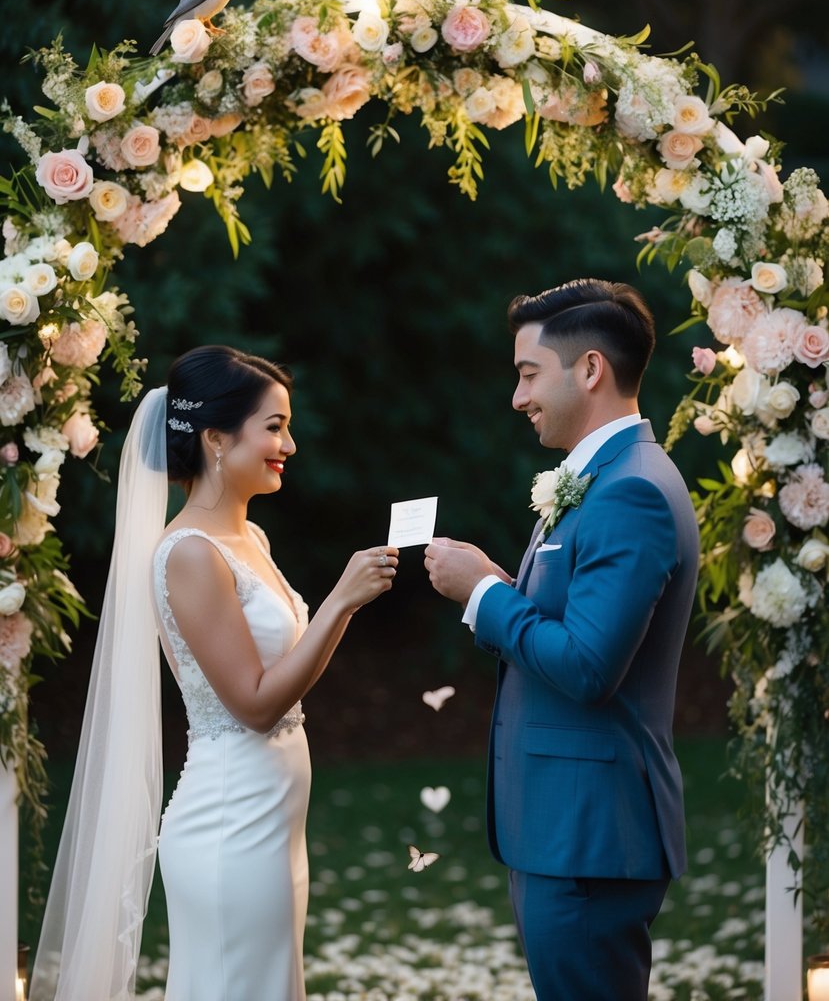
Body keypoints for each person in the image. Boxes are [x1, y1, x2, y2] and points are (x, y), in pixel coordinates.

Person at [31, 344, 398, 1001]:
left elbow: (286, 670)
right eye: (275, 426)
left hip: (274, 822)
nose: (290, 442)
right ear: (216, 438)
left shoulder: (248, 540)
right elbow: (254, 704)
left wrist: (348, 604)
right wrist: (340, 599)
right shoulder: (189, 554)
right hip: (230, 826)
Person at [424, 278, 699, 1001]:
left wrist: (481, 596)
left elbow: (585, 667)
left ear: (589, 370)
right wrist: (500, 587)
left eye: (526, 374)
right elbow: (571, 629)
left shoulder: (629, 491)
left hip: (589, 834)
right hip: (563, 826)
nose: (516, 398)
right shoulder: (601, 478)